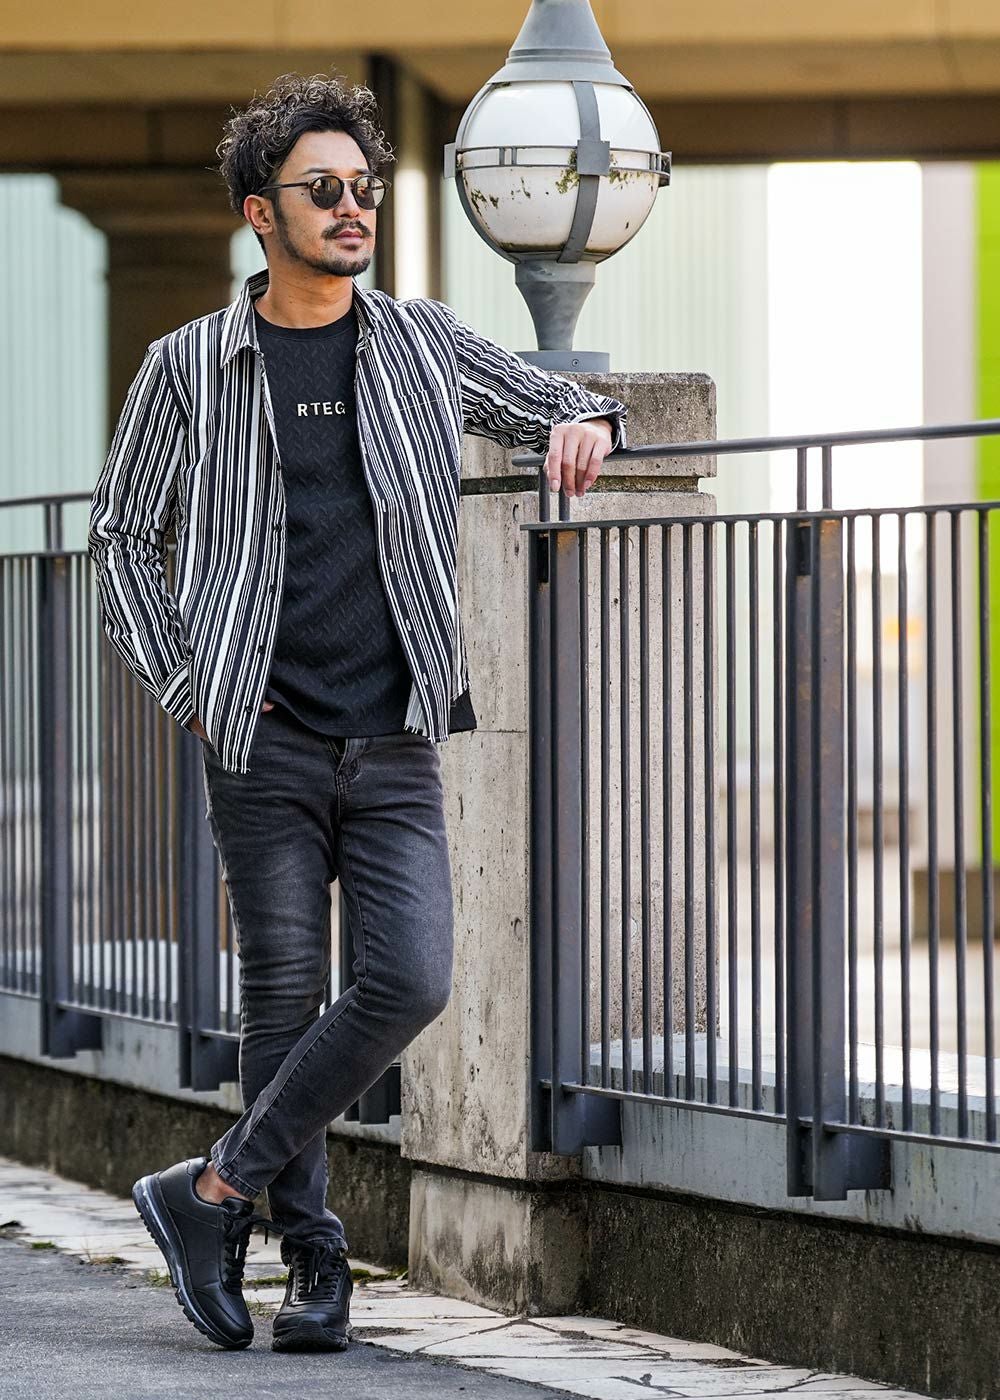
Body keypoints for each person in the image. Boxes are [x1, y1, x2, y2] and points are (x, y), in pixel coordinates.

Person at [88, 71, 629, 1355]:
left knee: (410, 975)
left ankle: (210, 1190)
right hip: (260, 737)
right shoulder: (187, 366)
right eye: (322, 188)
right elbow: (120, 540)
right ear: (258, 213)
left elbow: (547, 397)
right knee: (281, 1001)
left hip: (391, 731)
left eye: (365, 187)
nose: (353, 207)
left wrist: (592, 420)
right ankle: (314, 1262)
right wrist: (192, 686)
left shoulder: (420, 340)